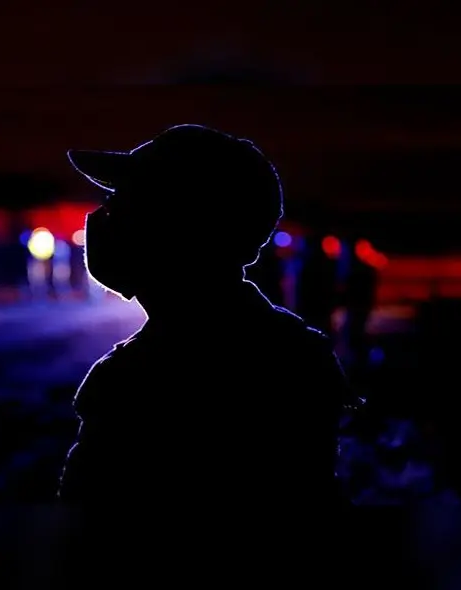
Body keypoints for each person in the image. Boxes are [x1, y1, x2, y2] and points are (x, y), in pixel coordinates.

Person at [54, 125, 355, 578]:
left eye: (131, 203)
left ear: (184, 225)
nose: (105, 217)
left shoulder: (160, 372)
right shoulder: (285, 349)